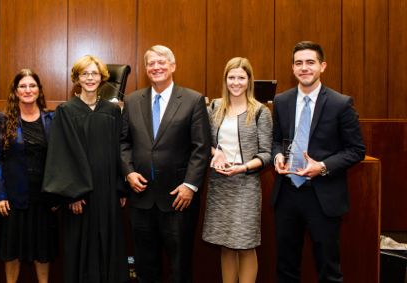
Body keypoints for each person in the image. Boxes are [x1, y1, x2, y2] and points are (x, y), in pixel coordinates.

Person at [271, 41, 365, 282]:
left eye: (310, 62)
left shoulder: (340, 103)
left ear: (322, 66)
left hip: (322, 196)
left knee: (328, 269)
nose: (304, 68)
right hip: (287, 194)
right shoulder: (281, 101)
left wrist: (322, 166)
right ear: (292, 68)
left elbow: (356, 150)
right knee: (286, 267)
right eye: (299, 63)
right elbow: (275, 141)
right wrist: (278, 156)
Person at [121, 44, 211, 283]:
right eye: (151, 63)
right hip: (141, 197)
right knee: (145, 265)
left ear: (173, 66)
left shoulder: (192, 100)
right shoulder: (132, 101)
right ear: (146, 69)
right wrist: (128, 172)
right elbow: (123, 143)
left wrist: (190, 185)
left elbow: (200, 147)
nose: (156, 67)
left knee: (179, 266)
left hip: (178, 197)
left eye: (162, 62)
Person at [42, 55, 128, 283]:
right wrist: (72, 193)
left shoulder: (112, 112)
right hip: (80, 195)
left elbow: (120, 149)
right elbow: (61, 154)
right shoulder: (66, 111)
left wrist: (120, 188)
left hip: (107, 190)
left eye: (94, 73)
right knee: (80, 248)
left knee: (107, 246)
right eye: (85, 74)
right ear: (77, 79)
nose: (90, 78)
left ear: (102, 78)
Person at [202, 57, 272, 283]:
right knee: (226, 244)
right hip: (219, 184)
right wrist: (216, 153)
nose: (236, 82)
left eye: (241, 77)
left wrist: (243, 167)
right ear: (225, 79)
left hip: (245, 185)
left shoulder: (260, 111)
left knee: (245, 244)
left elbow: (266, 153)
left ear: (249, 80)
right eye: (231, 77)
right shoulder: (214, 107)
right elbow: (202, 142)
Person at [0, 69, 57, 283]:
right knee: (12, 251)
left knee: (43, 250)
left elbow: (59, 159)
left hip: (44, 197)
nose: (28, 90)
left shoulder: (51, 119)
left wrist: (57, 195)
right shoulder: (4, 120)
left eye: (32, 86)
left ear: (39, 90)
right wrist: (0, 195)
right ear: (16, 91)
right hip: (13, 197)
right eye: (23, 86)